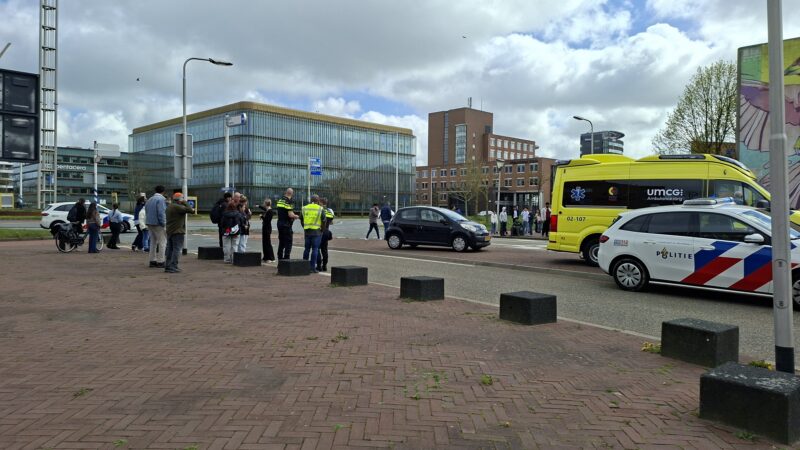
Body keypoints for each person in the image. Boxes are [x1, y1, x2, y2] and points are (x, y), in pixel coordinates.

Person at [164, 192, 194, 273]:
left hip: (170, 230)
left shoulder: (170, 206)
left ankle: (168, 266)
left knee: (170, 249)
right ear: (179, 199)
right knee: (176, 249)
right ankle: (173, 266)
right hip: (178, 231)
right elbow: (191, 210)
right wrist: (184, 202)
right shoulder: (177, 207)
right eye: (182, 198)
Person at [145, 185, 168, 268]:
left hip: (149, 222)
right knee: (162, 242)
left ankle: (152, 260)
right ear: (163, 191)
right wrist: (164, 223)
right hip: (158, 223)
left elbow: (146, 210)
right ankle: (161, 261)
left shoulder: (150, 199)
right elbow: (161, 212)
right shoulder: (161, 199)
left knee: (153, 242)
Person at [301, 194, 325, 273]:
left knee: (306, 249)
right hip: (317, 232)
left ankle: (304, 266)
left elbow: (301, 219)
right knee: (315, 249)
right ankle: (312, 267)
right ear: (318, 201)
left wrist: (304, 227)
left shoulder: (304, 208)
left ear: (310, 200)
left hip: (307, 231)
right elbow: (324, 220)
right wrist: (322, 229)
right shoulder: (320, 209)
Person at [276, 188, 299, 260]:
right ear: (291, 194)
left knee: (281, 242)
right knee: (288, 242)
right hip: (286, 224)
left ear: (286, 192)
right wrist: (297, 216)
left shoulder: (280, 200)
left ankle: (280, 260)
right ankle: (286, 260)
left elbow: (281, 211)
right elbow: (290, 214)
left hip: (280, 223)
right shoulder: (288, 201)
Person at [316, 197, 335, 272]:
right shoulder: (329, 211)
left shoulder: (319, 210)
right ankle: (324, 266)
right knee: (324, 250)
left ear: (321, 203)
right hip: (326, 232)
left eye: (319, 202)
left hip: (319, 231)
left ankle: (318, 265)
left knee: (317, 249)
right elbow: (331, 221)